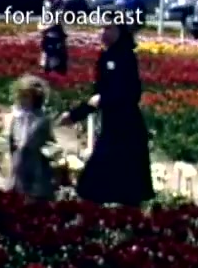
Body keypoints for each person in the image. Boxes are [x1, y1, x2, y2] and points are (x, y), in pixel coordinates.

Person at [57, 23, 155, 207]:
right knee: (105, 183)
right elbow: (98, 94)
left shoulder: (125, 56)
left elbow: (131, 93)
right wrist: (76, 114)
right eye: (101, 28)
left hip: (126, 128)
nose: (103, 32)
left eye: (109, 28)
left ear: (120, 31)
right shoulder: (106, 56)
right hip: (112, 126)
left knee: (109, 183)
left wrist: (104, 100)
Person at [0, 75, 55, 202]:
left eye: (27, 96)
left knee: (31, 193)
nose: (23, 100)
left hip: (34, 163)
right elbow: (6, 138)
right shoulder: (12, 116)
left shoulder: (42, 119)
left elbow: (48, 141)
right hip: (14, 160)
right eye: (21, 96)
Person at [39, 0, 68, 75]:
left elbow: (58, 19)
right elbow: (44, 15)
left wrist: (46, 28)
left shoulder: (59, 0)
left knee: (56, 60)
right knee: (46, 59)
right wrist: (41, 26)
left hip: (57, 34)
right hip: (47, 34)